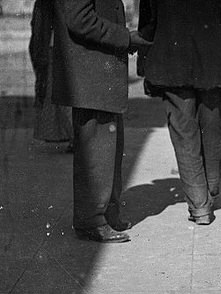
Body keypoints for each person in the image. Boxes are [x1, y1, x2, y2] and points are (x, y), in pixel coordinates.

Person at [138, 0, 221, 225]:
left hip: (171, 61)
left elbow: (148, 25)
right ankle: (212, 186)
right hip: (212, 62)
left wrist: (146, 63)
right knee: (212, 127)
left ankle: (200, 207)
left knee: (184, 134)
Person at [52, 0, 151, 243]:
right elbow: (80, 21)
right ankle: (91, 221)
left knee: (107, 150)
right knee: (95, 154)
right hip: (90, 75)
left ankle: (107, 212)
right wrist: (125, 38)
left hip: (98, 74)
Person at [30, 0, 73, 147]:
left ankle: (74, 138)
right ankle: (67, 136)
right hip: (54, 47)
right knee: (55, 96)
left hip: (56, 48)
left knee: (59, 96)